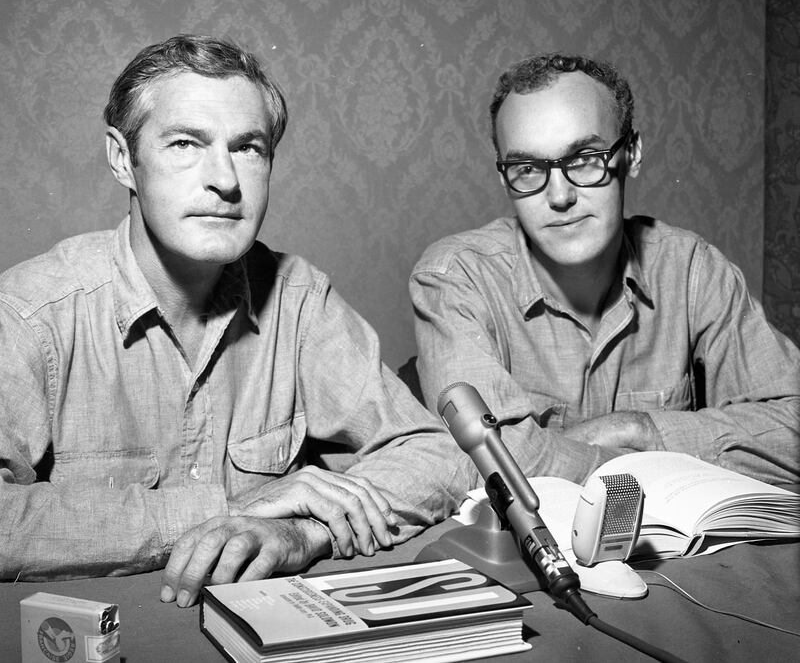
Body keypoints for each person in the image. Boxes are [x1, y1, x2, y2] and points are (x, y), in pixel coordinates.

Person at [0, 35, 469, 607]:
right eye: (184, 143)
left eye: (248, 148)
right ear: (123, 159)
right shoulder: (32, 312)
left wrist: (300, 532)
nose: (224, 180)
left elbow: (437, 456)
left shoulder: (298, 299)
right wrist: (225, 508)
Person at [410, 53, 799, 487]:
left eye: (584, 158)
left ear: (631, 153)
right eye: (527, 168)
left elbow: (792, 429)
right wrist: (656, 460)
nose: (559, 196)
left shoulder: (693, 270)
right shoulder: (455, 278)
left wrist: (642, 429)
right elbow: (492, 465)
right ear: (504, 178)